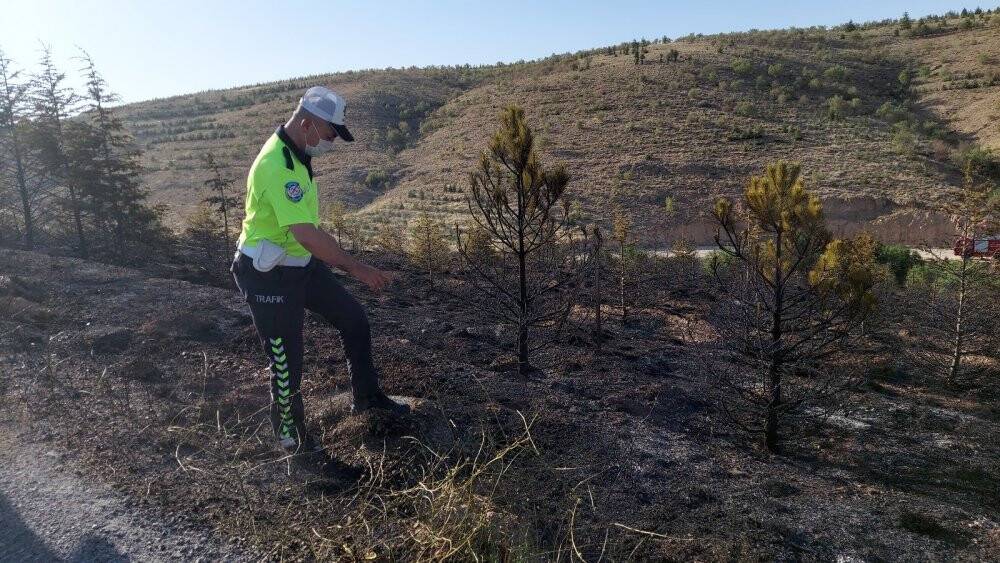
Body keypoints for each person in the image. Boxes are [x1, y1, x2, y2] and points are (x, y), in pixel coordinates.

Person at [231, 86, 410, 454]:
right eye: (331, 133)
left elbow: (304, 235)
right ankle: (291, 440)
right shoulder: (277, 165)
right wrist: (356, 267)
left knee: (354, 320)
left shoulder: (298, 155)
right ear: (309, 123)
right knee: (286, 361)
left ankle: (366, 398)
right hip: (267, 273)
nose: (332, 142)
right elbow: (306, 234)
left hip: (299, 265)